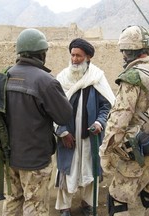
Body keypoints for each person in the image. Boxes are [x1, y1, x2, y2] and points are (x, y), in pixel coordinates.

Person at [99, 25, 149, 216]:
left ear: (128, 51)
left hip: (137, 156)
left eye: (124, 51)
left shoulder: (133, 77)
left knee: (117, 200)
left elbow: (118, 122)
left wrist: (105, 153)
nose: (123, 56)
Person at [2, 28, 73, 216]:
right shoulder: (45, 81)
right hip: (34, 160)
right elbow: (64, 116)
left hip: (10, 156)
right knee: (35, 205)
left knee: (13, 200)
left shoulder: (6, 75)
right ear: (42, 54)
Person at [55, 38, 115, 216]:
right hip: (68, 137)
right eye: (72, 55)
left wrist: (99, 122)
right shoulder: (62, 78)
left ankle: (88, 204)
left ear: (88, 57)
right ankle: (64, 207)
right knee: (67, 171)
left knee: (90, 170)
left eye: (79, 56)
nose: (74, 59)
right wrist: (63, 131)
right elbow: (54, 107)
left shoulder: (97, 77)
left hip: (90, 137)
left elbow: (107, 105)